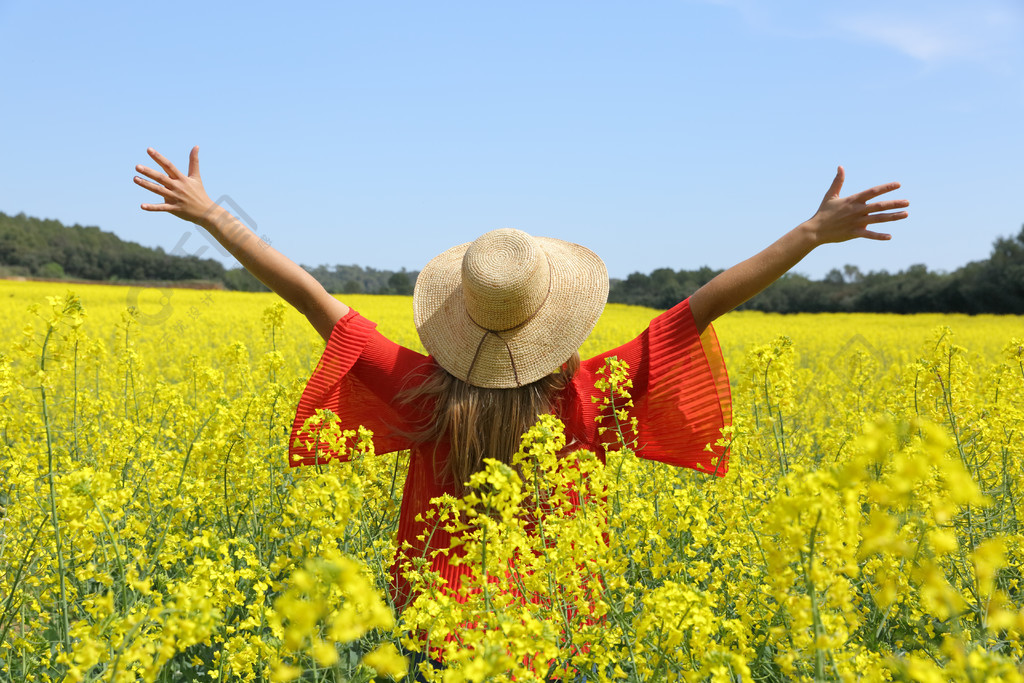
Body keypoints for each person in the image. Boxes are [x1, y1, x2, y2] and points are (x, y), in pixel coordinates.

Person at [133, 146, 909, 612]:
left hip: (434, 628)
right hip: (555, 630)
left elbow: (307, 293)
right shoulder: (589, 395)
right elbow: (702, 307)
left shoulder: (417, 389)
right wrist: (811, 232)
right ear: (556, 319)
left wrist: (210, 214)